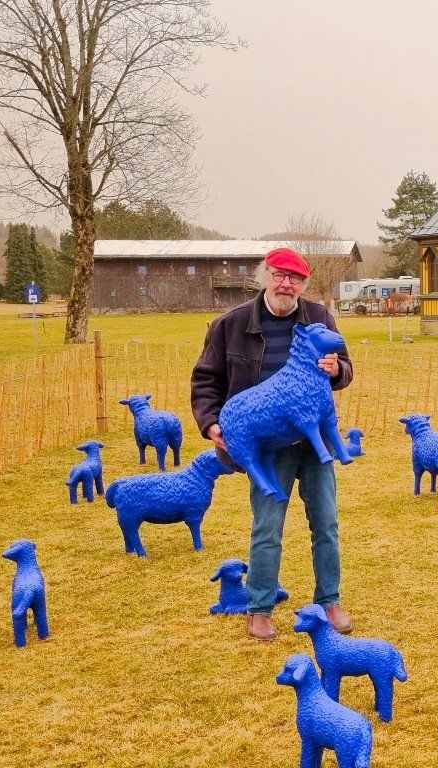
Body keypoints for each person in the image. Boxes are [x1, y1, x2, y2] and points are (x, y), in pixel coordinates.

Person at [191, 247, 354, 642]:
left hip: (311, 442)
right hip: (267, 444)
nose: (287, 284)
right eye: (280, 275)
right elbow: (205, 380)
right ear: (265, 276)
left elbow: (345, 369)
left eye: (295, 279)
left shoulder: (319, 318)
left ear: (303, 285)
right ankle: (259, 607)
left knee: (327, 523)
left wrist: (337, 370)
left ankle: (328, 599)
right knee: (268, 525)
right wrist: (210, 423)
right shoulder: (230, 324)